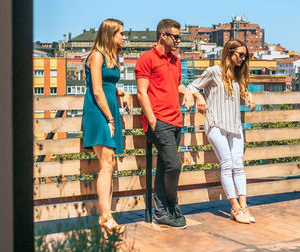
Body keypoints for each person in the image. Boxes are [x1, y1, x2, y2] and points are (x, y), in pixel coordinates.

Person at [188, 39, 256, 224]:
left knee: (239, 166)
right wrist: (199, 96)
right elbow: (192, 86)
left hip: (234, 126)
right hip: (216, 124)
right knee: (227, 165)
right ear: (229, 53)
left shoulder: (238, 75)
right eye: (240, 55)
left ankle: (244, 207)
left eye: (245, 56)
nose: (243, 59)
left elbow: (241, 92)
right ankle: (234, 208)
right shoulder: (213, 72)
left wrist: (249, 94)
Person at [135, 18, 194, 229]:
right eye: (175, 37)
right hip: (158, 121)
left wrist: (187, 92)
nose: (179, 41)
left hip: (175, 120)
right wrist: (152, 120)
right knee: (174, 165)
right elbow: (142, 92)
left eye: (179, 37)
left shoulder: (175, 60)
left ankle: (161, 212)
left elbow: (177, 85)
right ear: (163, 35)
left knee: (164, 167)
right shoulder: (146, 59)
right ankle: (173, 204)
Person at [81, 18, 131, 233]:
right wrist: (110, 119)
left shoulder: (111, 57)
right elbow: (97, 90)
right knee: (107, 164)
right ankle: (105, 216)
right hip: (99, 112)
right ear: (109, 35)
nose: (123, 37)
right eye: (120, 33)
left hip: (108, 109)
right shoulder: (96, 56)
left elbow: (108, 85)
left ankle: (107, 216)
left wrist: (123, 92)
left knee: (109, 163)